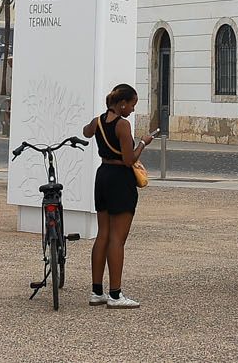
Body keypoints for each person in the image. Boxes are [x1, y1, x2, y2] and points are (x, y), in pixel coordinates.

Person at [83, 83, 158, 309]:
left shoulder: (98, 121)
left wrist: (96, 123)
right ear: (122, 103)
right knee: (118, 238)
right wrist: (144, 142)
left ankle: (97, 291)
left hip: (102, 175)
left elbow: (86, 132)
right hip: (119, 179)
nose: (133, 110)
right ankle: (115, 294)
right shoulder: (123, 125)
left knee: (103, 234)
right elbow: (129, 159)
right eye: (132, 105)